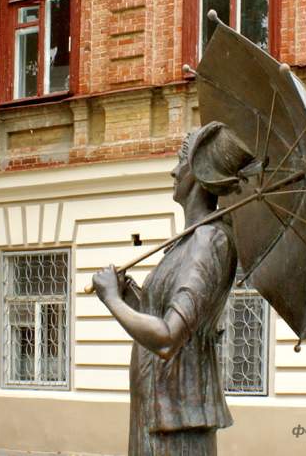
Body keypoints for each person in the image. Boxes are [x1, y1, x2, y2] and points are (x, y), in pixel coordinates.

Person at [93, 122, 255, 456]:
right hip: (157, 413)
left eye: (180, 162)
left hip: (177, 421)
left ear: (196, 172)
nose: (173, 171)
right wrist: (130, 296)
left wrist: (111, 299)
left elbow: (168, 338)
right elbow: (162, 318)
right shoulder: (188, 243)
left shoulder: (209, 242)